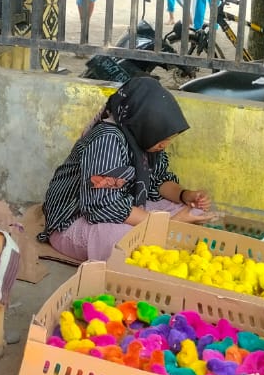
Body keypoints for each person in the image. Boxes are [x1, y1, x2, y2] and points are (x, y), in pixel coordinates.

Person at [40, 75, 212, 262]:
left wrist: (186, 195)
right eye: (162, 138)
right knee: (123, 240)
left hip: (124, 204)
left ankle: (161, 231)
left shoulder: (145, 137)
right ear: (143, 123)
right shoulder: (106, 140)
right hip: (76, 218)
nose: (164, 145)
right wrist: (168, 224)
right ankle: (159, 234)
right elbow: (103, 206)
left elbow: (158, 180)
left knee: (194, 212)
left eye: (169, 139)